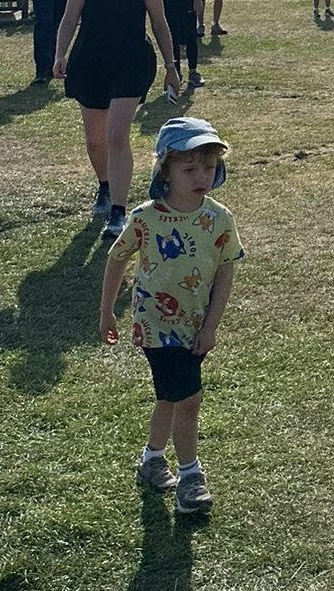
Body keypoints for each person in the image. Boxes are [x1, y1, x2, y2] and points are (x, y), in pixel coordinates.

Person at [98, 116, 243, 516]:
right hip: (155, 325)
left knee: (170, 398)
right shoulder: (146, 217)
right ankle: (191, 477)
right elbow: (117, 259)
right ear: (165, 169)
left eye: (209, 167)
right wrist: (107, 311)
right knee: (189, 398)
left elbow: (227, 269)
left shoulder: (219, 218)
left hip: (195, 327)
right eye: (189, 168)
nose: (201, 176)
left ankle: (151, 459)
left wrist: (211, 326)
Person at [53, 0, 178, 236]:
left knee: (116, 135)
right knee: (95, 141)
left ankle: (119, 213)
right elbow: (69, 19)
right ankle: (105, 185)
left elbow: (160, 24)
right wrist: (59, 54)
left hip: (131, 61)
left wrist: (171, 66)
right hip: (91, 61)